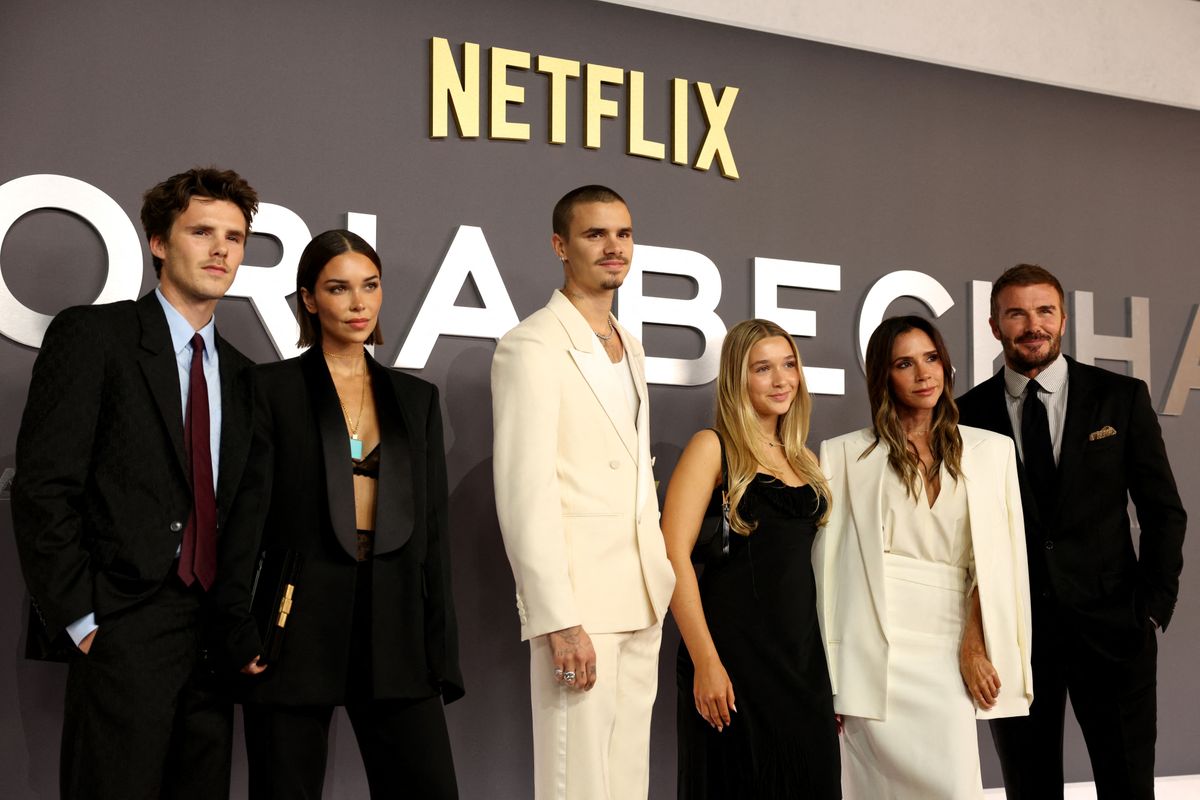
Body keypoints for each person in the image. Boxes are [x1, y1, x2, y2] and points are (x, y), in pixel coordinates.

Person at [11, 167, 258, 798]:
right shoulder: (96, 336)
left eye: (234, 236)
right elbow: (44, 488)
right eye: (201, 231)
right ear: (157, 242)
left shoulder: (244, 374)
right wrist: (83, 620)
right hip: (123, 624)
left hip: (212, 641)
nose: (220, 249)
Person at [211, 230, 463, 797]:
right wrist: (238, 626)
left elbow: (433, 534)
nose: (358, 303)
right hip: (295, 624)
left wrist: (439, 647)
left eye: (370, 286)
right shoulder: (269, 388)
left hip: (395, 625)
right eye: (338, 288)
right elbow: (243, 518)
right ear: (308, 299)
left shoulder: (415, 399)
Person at [957, 264, 1185, 800]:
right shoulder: (965, 414)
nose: (1032, 324)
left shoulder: (1121, 397)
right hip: (1016, 638)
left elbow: (1163, 511)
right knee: (1029, 788)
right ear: (994, 326)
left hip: (1115, 629)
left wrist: (1151, 606)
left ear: (1063, 320)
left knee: (1127, 786)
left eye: (1044, 311)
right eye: (1016, 313)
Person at [491, 185, 675, 799]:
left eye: (623, 233)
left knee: (627, 783)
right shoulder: (532, 344)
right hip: (581, 609)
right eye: (595, 234)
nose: (613, 247)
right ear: (559, 246)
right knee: (577, 785)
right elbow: (525, 491)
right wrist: (557, 619)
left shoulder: (633, 347)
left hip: (643, 597)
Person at [816, 315, 1033, 799]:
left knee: (954, 787)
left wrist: (973, 644)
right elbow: (826, 576)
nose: (923, 374)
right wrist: (829, 676)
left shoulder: (991, 452)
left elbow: (996, 564)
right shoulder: (844, 456)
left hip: (949, 644)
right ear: (883, 377)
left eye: (931, 358)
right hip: (873, 654)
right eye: (905, 364)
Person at [662, 319, 840, 798]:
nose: (781, 380)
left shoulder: (806, 459)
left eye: (789, 365)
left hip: (802, 663)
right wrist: (705, 660)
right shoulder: (712, 447)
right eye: (763, 368)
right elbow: (671, 554)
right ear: (737, 378)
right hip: (732, 660)